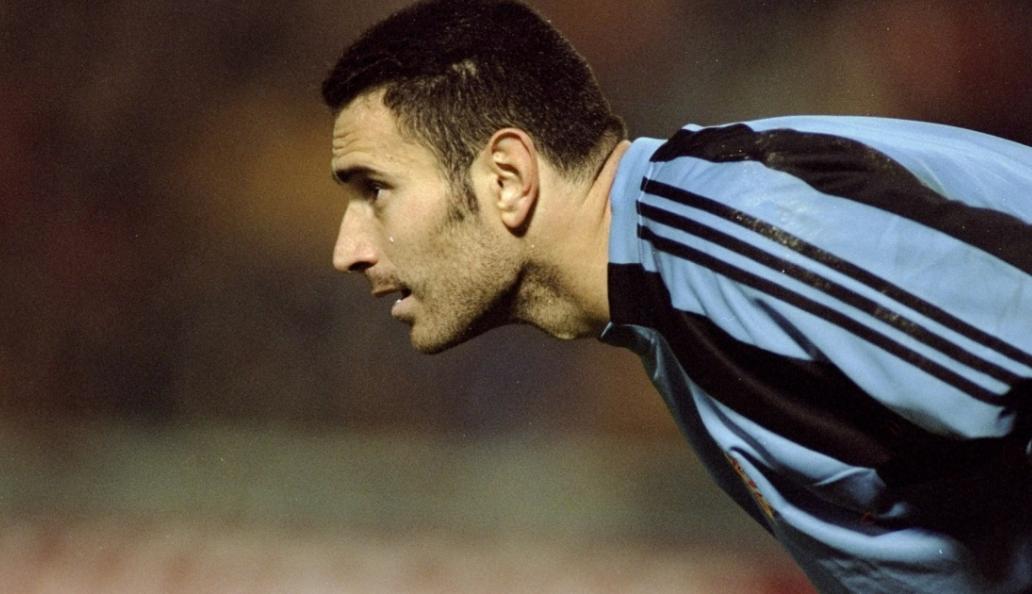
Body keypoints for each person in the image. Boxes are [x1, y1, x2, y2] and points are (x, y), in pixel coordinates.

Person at [321, 1, 1032, 592]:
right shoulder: (670, 279)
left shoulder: (740, 231)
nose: (347, 249)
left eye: (375, 189)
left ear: (507, 178)